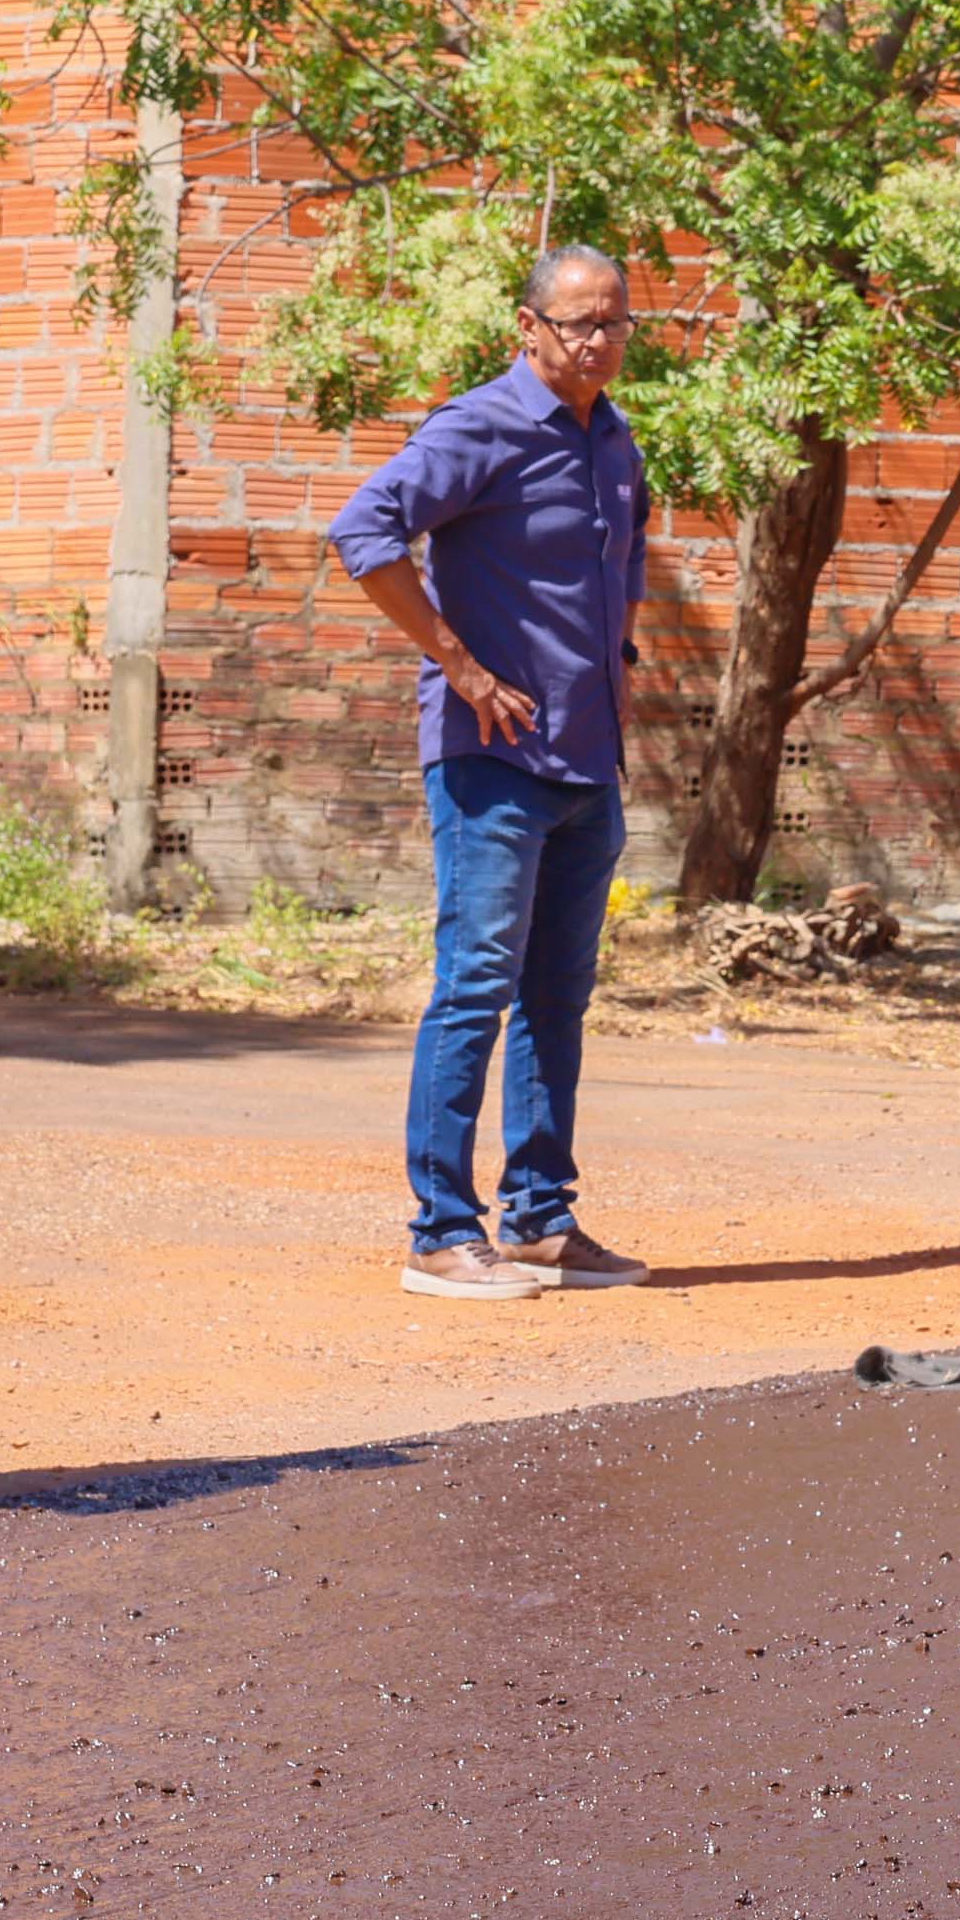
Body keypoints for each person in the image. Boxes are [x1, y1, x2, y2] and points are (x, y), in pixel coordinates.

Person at [334, 246, 660, 1300]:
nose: (599, 340)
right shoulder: (480, 426)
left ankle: (540, 1220)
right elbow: (363, 529)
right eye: (578, 323)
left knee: (558, 994)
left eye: (614, 322)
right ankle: (440, 1231)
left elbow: (623, 567)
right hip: (493, 760)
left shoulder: (613, 440)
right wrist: (460, 665)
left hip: (587, 760)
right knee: (476, 984)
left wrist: (620, 673)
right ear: (529, 327)